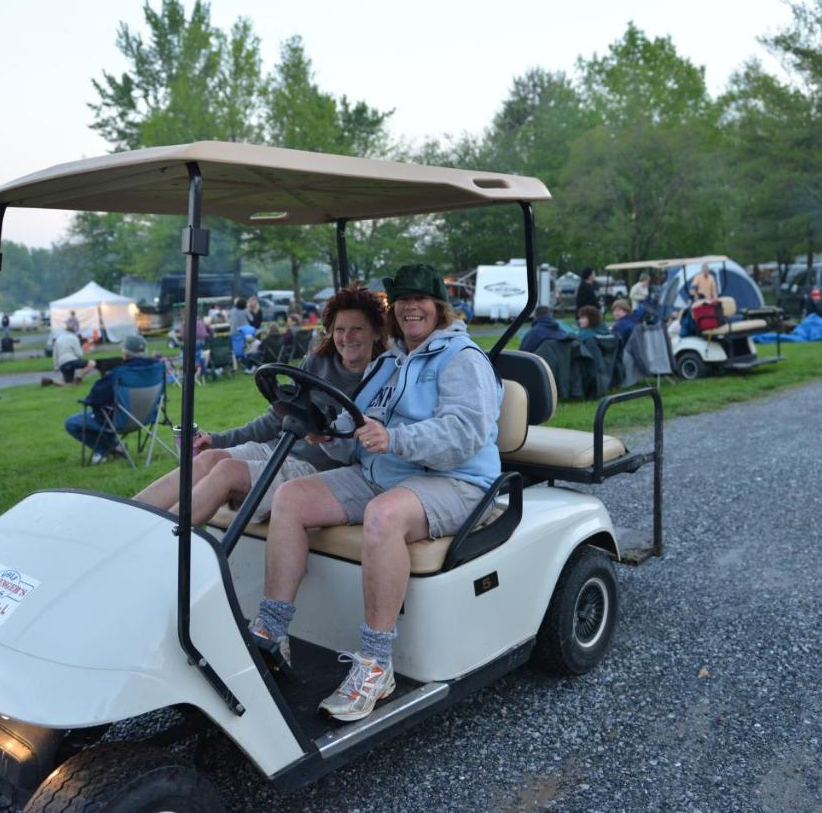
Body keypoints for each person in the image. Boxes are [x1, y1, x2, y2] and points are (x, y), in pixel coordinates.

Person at [250, 264, 501, 722]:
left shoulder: (463, 358)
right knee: (291, 497)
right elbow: (360, 424)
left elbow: (465, 434)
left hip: (457, 480)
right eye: (402, 301)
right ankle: (273, 630)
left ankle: (376, 664)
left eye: (420, 300)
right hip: (386, 473)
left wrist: (396, 440)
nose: (410, 308)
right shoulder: (389, 362)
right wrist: (333, 435)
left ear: (439, 307)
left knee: (383, 516)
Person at [134, 283, 386, 525]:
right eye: (340, 329)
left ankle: (161, 543)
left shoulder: (385, 378)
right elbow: (277, 418)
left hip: (315, 470)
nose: (346, 337)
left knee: (227, 472)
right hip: (275, 448)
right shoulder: (318, 363)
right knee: (208, 459)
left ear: (376, 332)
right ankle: (123, 517)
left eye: (357, 329)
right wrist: (219, 439)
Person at [63, 335, 164, 463]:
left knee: (72, 423)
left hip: (120, 421)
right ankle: (115, 446)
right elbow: (162, 395)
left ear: (126, 353)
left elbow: (94, 398)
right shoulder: (157, 369)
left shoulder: (120, 373)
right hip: (146, 418)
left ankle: (106, 449)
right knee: (107, 413)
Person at [42, 317, 95, 387]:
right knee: (92, 363)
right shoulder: (74, 338)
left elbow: (55, 354)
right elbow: (79, 354)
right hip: (71, 360)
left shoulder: (58, 339)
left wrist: (56, 366)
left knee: (68, 383)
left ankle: (51, 381)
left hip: (62, 364)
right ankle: (78, 378)